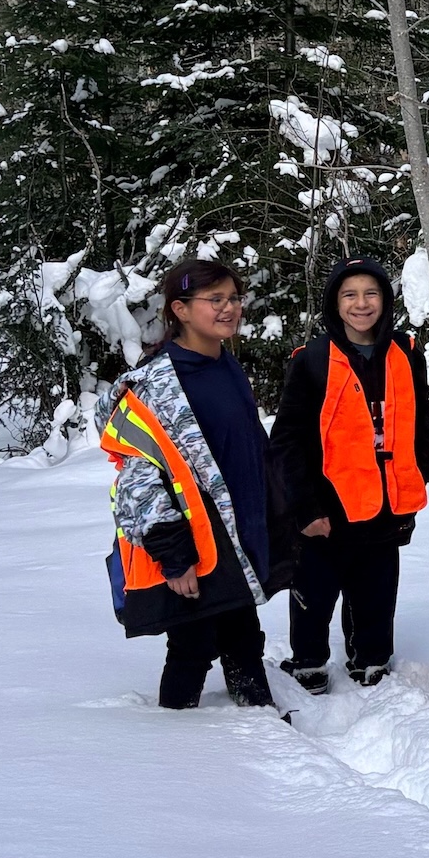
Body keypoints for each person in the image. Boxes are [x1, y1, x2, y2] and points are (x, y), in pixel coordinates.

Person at [100, 257, 282, 713]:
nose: (230, 309)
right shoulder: (158, 382)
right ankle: (178, 745)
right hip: (193, 545)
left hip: (233, 538)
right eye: (215, 299)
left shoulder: (224, 363)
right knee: (193, 643)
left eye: (234, 298)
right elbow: (138, 478)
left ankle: (259, 719)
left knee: (244, 635)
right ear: (180, 310)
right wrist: (174, 555)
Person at [270, 256, 429, 692]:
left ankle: (371, 661)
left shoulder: (406, 352)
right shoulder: (312, 360)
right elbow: (287, 440)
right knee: (316, 590)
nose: (361, 304)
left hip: (388, 502)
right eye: (350, 294)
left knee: (377, 592)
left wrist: (422, 466)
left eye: (371, 293)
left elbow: (422, 418)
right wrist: (304, 506)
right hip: (328, 505)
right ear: (334, 302)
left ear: (385, 299)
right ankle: (308, 663)